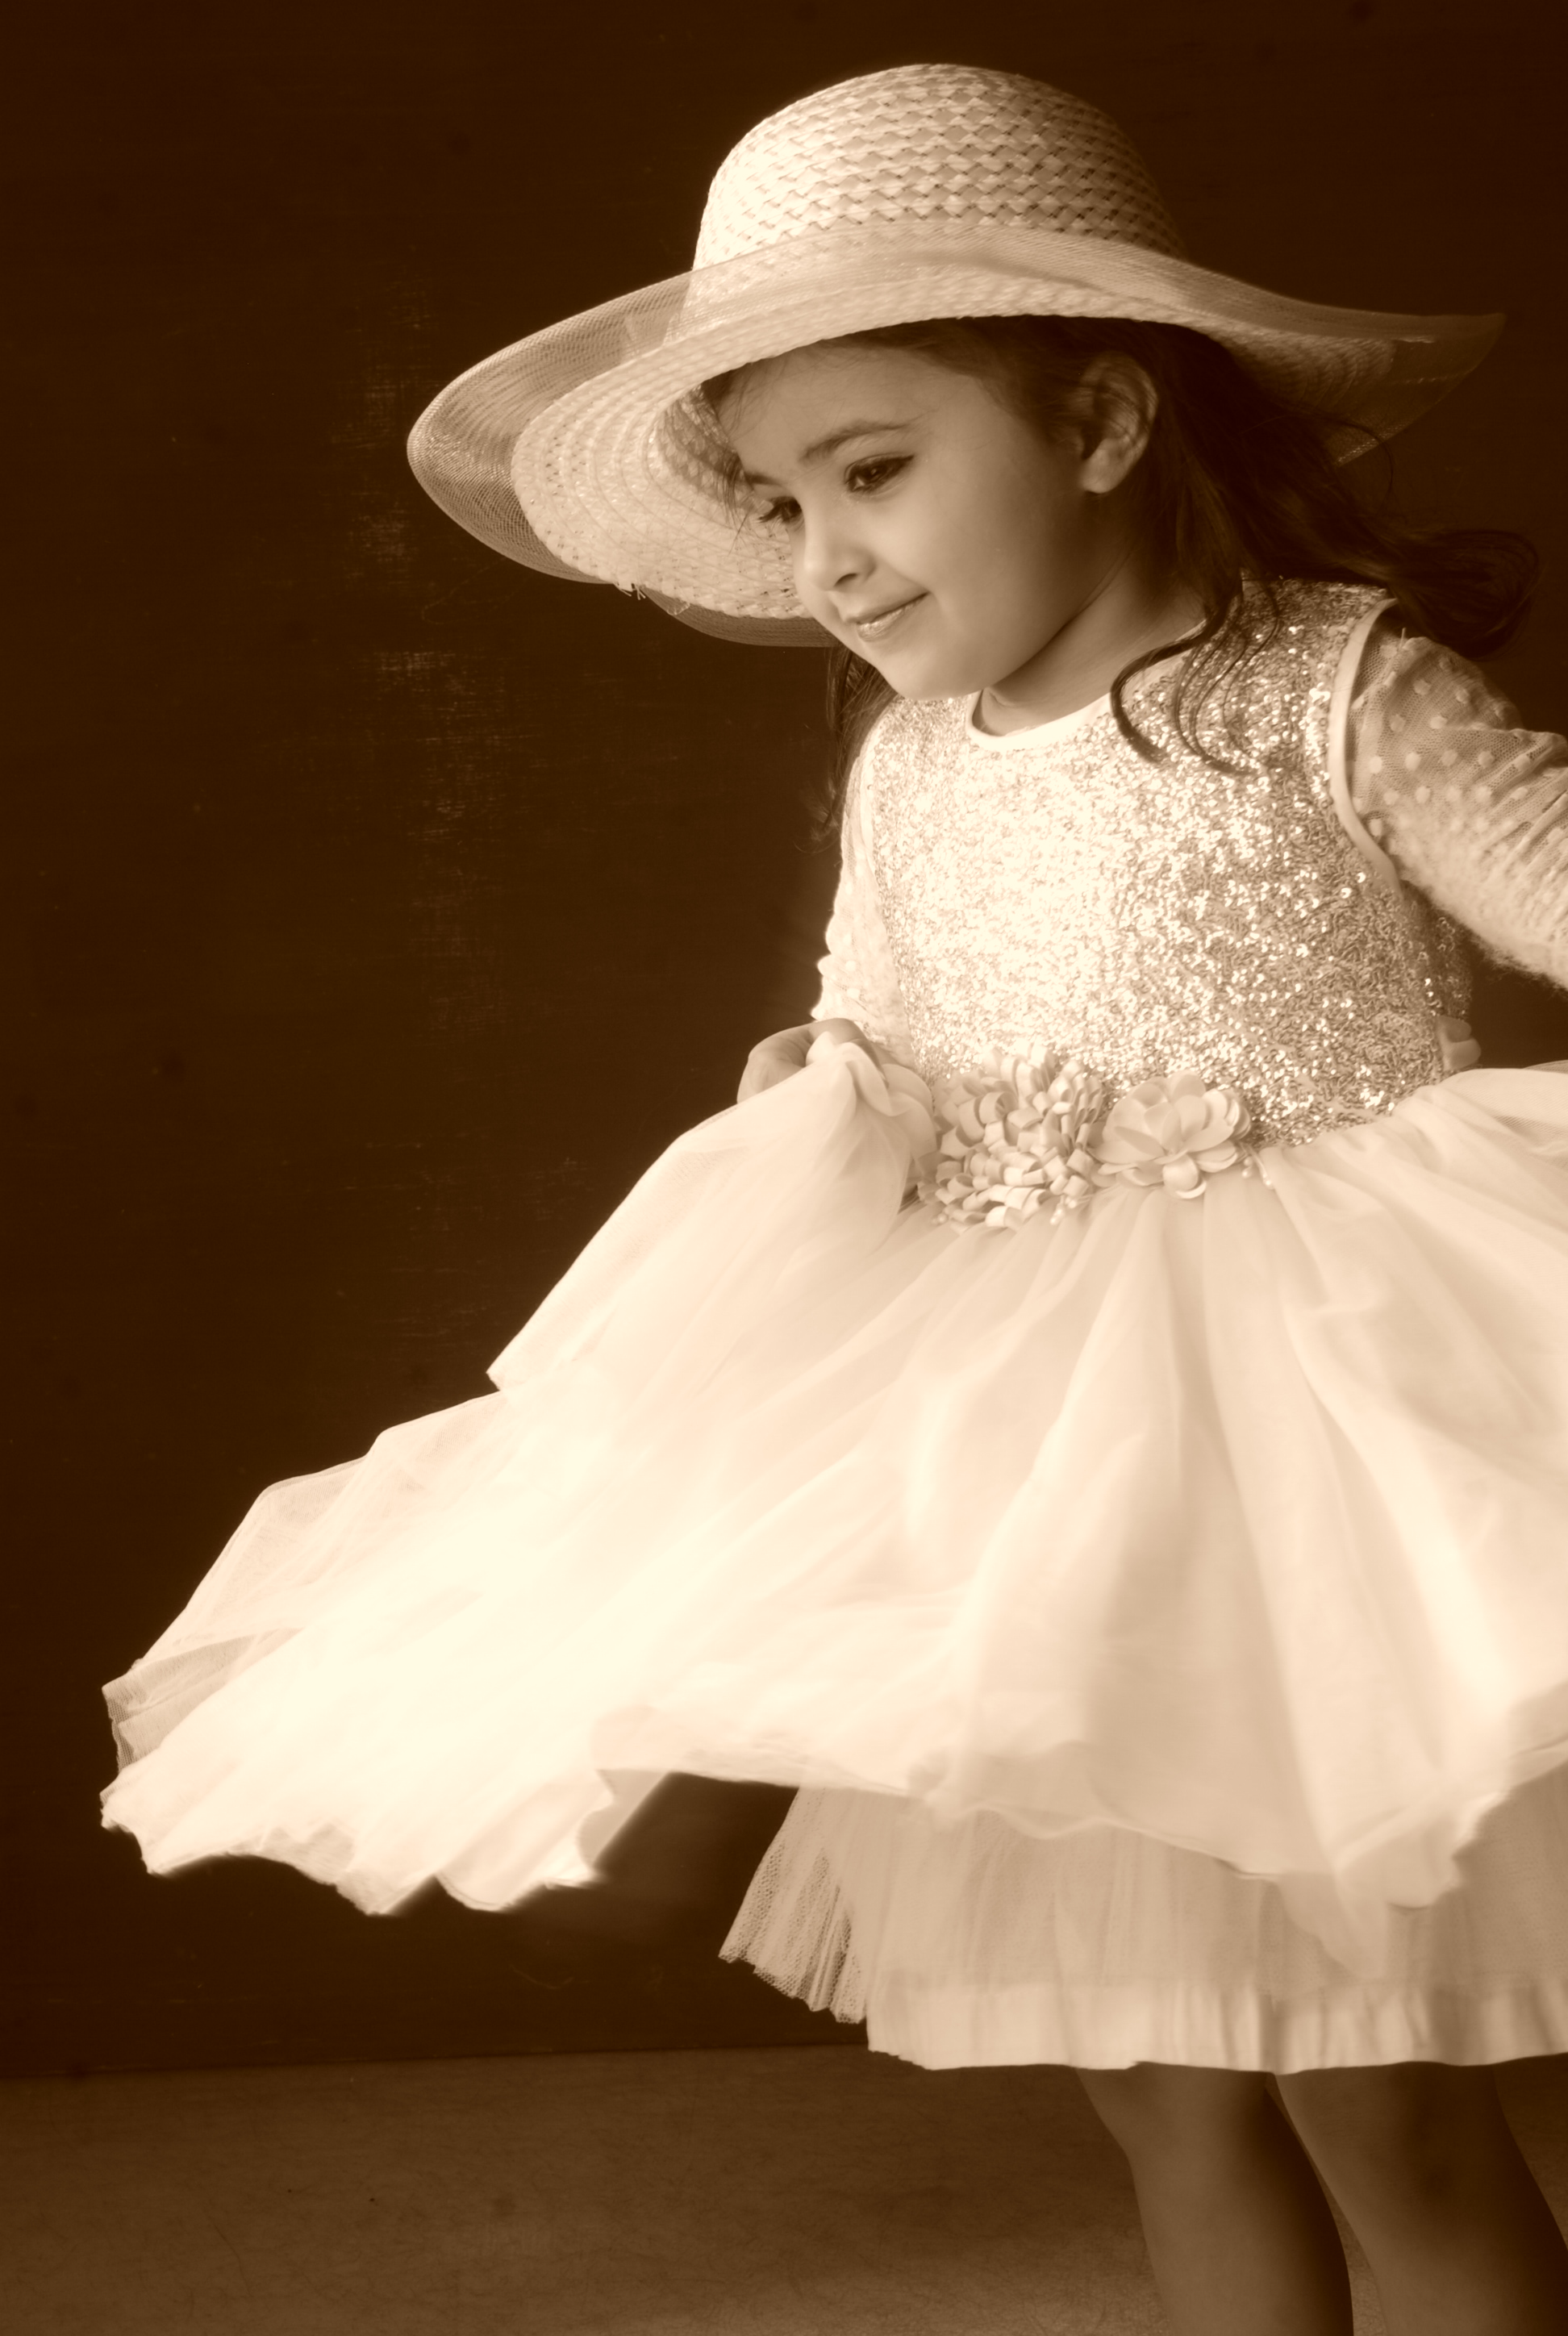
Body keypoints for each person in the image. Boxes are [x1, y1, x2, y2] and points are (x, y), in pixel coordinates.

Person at [102, 64, 1568, 2334]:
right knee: (1162, 2086)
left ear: (1102, 419)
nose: (826, 562)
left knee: (1386, 2094)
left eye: (875, 470)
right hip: (1040, 1480)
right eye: (783, 504)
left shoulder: (1323, 689)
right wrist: (821, 1089)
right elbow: (870, 1015)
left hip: (1319, 1457)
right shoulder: (909, 767)